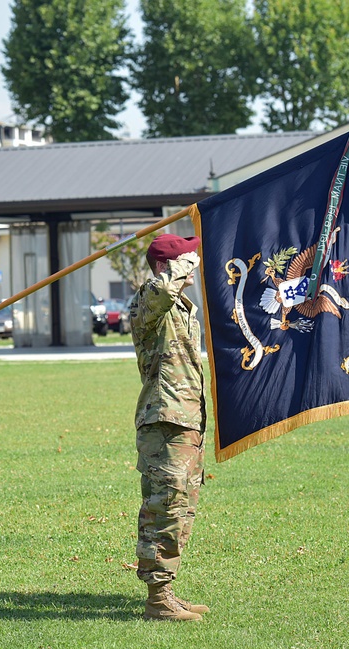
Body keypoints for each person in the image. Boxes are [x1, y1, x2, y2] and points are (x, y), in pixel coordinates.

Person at [128, 233, 210, 622]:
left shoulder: (180, 307)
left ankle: (167, 591)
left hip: (186, 419)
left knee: (181, 509)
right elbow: (160, 291)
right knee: (165, 507)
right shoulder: (149, 300)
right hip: (164, 421)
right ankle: (158, 598)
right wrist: (179, 266)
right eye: (186, 260)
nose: (194, 266)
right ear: (167, 266)